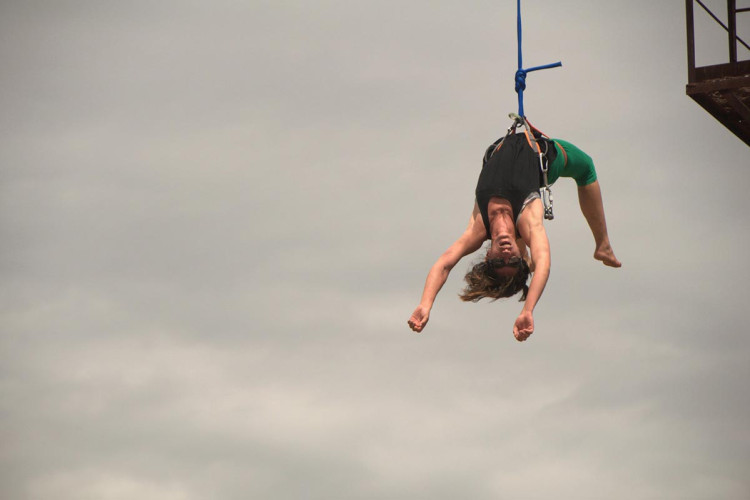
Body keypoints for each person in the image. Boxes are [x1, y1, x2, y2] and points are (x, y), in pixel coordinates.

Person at [407, 128, 621, 342]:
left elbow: (444, 265)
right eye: (512, 260)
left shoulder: (478, 228)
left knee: (514, 235)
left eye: (500, 261)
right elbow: (544, 265)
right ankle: (603, 246)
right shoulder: (529, 219)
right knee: (586, 169)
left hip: (504, 145)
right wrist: (528, 310)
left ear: (488, 256)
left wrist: (425, 304)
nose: (506, 253)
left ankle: (523, 259)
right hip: (545, 157)